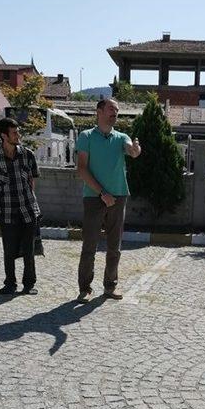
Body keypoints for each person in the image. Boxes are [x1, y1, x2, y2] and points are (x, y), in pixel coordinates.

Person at [75, 98, 141, 303]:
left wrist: (135, 150)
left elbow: (131, 149)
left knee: (115, 246)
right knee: (90, 246)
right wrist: (102, 193)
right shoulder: (86, 136)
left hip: (119, 196)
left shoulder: (121, 137)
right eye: (111, 109)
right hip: (94, 197)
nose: (115, 113)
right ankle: (85, 288)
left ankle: (110, 286)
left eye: (117, 110)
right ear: (99, 111)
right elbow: (82, 168)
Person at [0, 118, 40, 296]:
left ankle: (29, 283)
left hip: (28, 209)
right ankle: (10, 283)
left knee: (29, 249)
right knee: (8, 250)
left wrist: (30, 201)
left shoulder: (28, 154)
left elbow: (33, 181)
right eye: (14, 132)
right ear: (4, 135)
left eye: (18, 132)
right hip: (7, 210)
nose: (19, 135)